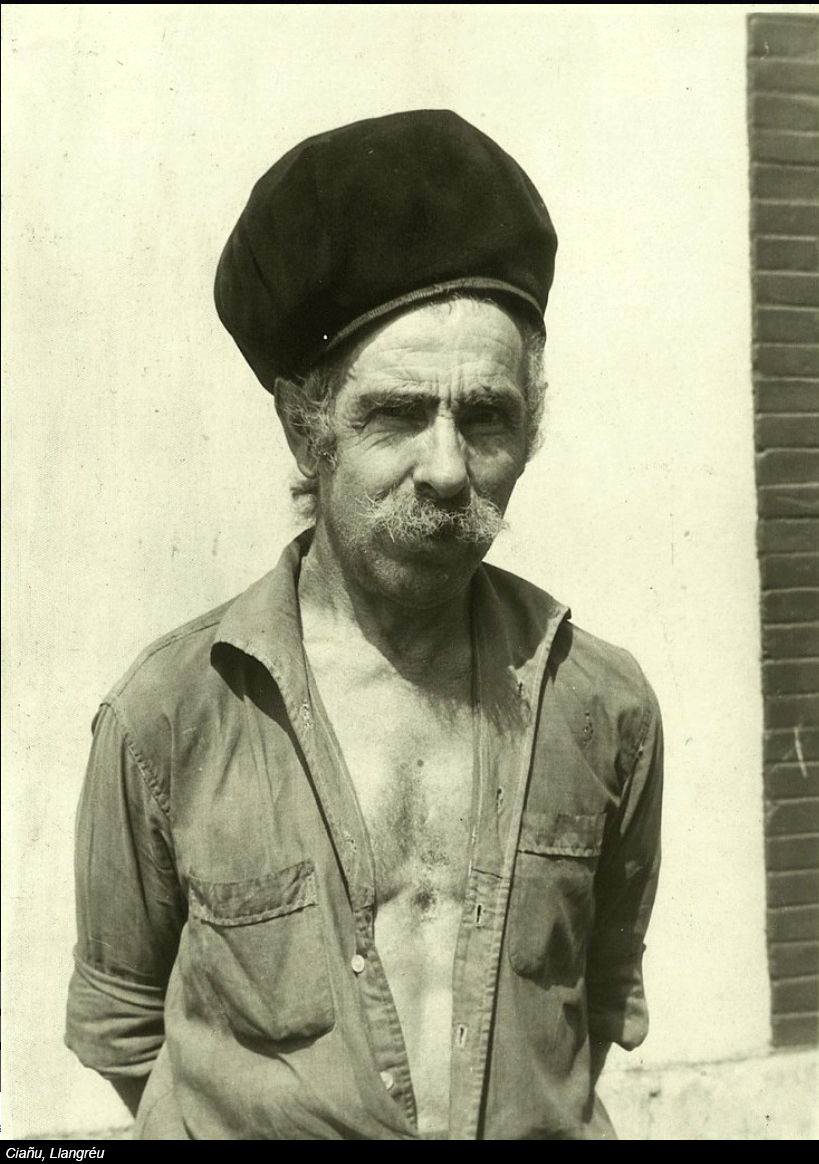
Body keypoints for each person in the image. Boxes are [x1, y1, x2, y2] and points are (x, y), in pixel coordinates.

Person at [66, 110, 663, 1140]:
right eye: (395, 414)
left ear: (530, 425)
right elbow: (123, 1030)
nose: (448, 470)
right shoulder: (171, 714)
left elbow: (593, 1007)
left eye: (487, 416)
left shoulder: (603, 705)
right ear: (305, 428)